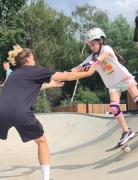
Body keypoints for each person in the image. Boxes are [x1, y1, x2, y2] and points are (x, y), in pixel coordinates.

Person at [0, 45, 93, 180]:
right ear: (27, 59)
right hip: (20, 112)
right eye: (33, 57)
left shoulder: (15, 75)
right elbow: (68, 76)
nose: (34, 60)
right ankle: (46, 178)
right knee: (42, 141)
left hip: (2, 110)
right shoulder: (35, 70)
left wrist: (51, 85)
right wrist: (88, 73)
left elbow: (31, 87)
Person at [70, 27, 138, 146]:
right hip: (113, 84)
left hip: (124, 79)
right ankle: (127, 132)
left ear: (100, 41)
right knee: (114, 108)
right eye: (90, 45)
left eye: (93, 44)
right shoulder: (91, 57)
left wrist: (92, 62)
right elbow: (78, 67)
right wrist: (65, 73)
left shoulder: (106, 48)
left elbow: (103, 56)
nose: (92, 47)